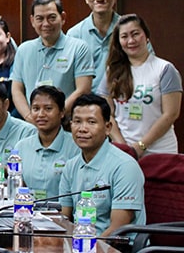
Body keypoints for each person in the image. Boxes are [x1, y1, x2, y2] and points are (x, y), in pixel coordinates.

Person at [60, 94, 146, 237]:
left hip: (115, 247)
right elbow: (65, 218)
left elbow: (118, 229)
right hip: (79, 243)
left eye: (91, 122)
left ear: (107, 128)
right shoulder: (70, 166)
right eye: (77, 121)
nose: (82, 129)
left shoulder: (125, 167)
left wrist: (85, 246)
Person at [98, 14, 181, 155]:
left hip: (160, 151)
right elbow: (107, 113)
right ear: (118, 42)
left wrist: (140, 146)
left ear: (146, 36)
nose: (131, 40)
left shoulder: (165, 69)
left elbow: (171, 114)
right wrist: (122, 146)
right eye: (124, 36)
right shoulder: (112, 72)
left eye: (135, 34)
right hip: (122, 151)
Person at [11, 0, 94, 123]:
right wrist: (30, 118)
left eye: (51, 17)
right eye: (40, 18)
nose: (46, 23)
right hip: (33, 126)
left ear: (63, 18)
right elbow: (16, 89)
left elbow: (83, 89)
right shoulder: (23, 50)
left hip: (67, 124)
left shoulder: (79, 47)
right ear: (32, 21)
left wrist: (54, 117)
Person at [67, 0, 151, 90]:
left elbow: (149, 65)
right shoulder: (75, 34)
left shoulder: (131, 30)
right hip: (87, 104)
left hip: (125, 100)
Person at [13, 86, 81, 201]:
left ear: (62, 112)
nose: (41, 114)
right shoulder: (21, 147)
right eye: (35, 109)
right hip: (27, 212)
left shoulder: (76, 146)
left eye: (48, 109)